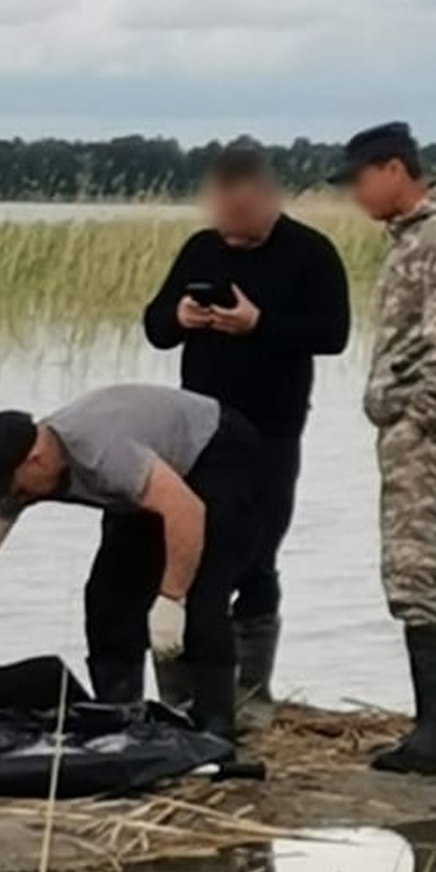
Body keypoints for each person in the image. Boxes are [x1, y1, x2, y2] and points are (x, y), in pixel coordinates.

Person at [0, 383, 262, 745]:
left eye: (16, 488)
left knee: (201, 596)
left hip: (217, 451)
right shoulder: (22, 478)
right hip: (145, 481)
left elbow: (186, 509)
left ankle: (216, 730)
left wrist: (171, 598)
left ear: (37, 459)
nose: (16, 498)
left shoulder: (102, 453)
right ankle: (121, 718)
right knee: (107, 598)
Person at [141, 144, 351, 724]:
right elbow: (155, 326)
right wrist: (180, 317)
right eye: (222, 223)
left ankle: (252, 693)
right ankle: (179, 696)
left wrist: (259, 325)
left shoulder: (310, 252)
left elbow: (334, 334)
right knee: (183, 553)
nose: (230, 236)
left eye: (241, 225)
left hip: (273, 430)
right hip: (196, 433)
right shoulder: (200, 249)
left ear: (265, 201)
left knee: (257, 554)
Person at [329, 121, 436, 776]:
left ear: (393, 169)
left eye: (359, 180)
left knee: (418, 568)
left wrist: (421, 418)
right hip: (409, 426)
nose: (356, 194)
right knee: (409, 569)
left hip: (429, 429)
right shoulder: (415, 237)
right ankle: (434, 726)